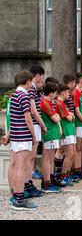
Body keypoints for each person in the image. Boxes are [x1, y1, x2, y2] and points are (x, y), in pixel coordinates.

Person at [6, 71, 38, 210]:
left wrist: (9, 135)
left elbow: (12, 119)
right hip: (23, 135)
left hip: (16, 135)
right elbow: (28, 118)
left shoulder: (13, 95)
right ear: (27, 81)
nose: (31, 85)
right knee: (21, 167)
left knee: (18, 166)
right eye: (31, 82)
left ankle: (17, 196)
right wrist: (34, 136)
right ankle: (19, 199)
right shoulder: (24, 96)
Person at [40, 82, 62, 193]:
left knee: (49, 158)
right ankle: (47, 182)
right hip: (50, 133)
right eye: (55, 93)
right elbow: (56, 118)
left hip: (51, 132)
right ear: (51, 93)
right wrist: (57, 116)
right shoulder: (45, 103)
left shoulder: (47, 102)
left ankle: (48, 180)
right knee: (48, 159)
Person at [27, 65, 46, 194]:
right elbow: (33, 111)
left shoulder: (35, 90)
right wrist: (43, 124)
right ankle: (28, 185)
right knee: (31, 157)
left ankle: (29, 184)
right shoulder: (31, 90)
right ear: (37, 75)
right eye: (42, 76)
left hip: (36, 124)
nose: (42, 79)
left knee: (32, 157)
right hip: (34, 124)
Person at [54, 84, 77, 186]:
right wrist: (71, 115)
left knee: (72, 153)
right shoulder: (59, 103)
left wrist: (71, 115)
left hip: (70, 130)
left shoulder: (62, 103)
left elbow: (70, 115)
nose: (69, 94)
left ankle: (66, 175)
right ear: (63, 92)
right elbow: (68, 117)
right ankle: (63, 176)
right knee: (69, 153)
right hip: (66, 130)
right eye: (68, 92)